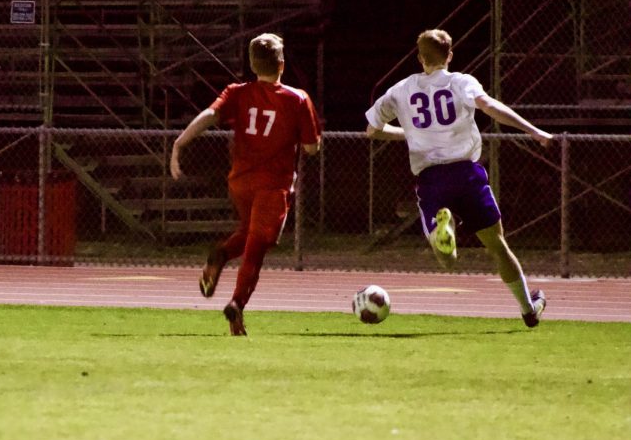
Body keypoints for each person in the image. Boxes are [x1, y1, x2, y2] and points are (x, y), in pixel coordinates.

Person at [365, 28, 553, 327]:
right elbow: (490, 106)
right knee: (498, 246)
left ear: (419, 58)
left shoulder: (400, 89)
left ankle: (446, 228)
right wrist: (534, 131)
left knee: (447, 260)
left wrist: (412, 134)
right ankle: (528, 310)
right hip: (467, 174)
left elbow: (372, 130)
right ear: (449, 55)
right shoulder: (461, 82)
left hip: (431, 179)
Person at [170, 33, 322, 336]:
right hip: (273, 185)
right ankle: (237, 304)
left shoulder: (237, 92)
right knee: (256, 248)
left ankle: (220, 254)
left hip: (240, 181)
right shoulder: (297, 98)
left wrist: (179, 143)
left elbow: (210, 115)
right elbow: (311, 148)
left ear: (253, 64)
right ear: (281, 64)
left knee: (249, 234)